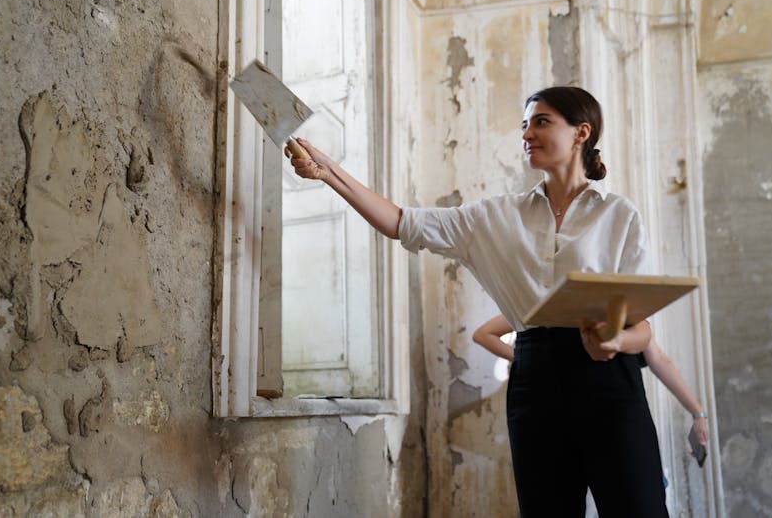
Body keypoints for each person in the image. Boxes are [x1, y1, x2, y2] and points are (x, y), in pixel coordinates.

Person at [286, 86, 668, 516]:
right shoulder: (494, 216)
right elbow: (400, 222)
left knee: (639, 508)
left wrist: (615, 342)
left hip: (610, 377)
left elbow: (641, 329)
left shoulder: (619, 215)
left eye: (541, 122)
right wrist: (329, 172)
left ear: (582, 133)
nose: (527, 134)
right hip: (535, 376)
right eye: (524, 125)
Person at [472, 313, 710, 457]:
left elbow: (659, 359)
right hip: (570, 418)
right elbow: (483, 334)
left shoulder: (626, 317)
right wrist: (528, 358)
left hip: (614, 420)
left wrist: (697, 413)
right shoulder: (548, 308)